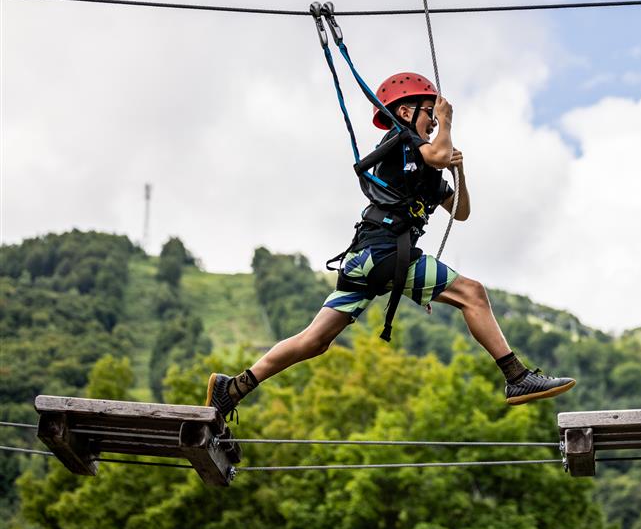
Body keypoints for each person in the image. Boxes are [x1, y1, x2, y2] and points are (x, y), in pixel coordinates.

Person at [206, 72, 575, 420]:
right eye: (430, 112)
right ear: (404, 111)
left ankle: (233, 388)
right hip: (384, 251)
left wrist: (457, 170)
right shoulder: (400, 140)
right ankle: (515, 375)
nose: (434, 120)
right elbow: (436, 153)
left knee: (314, 340)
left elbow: (460, 211)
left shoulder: (426, 169)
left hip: (366, 259)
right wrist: (447, 124)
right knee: (472, 294)